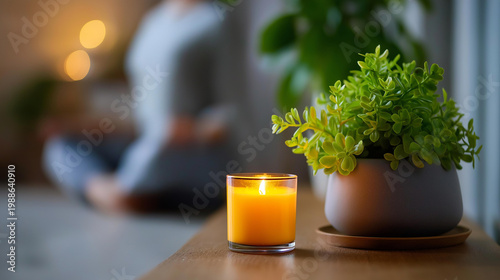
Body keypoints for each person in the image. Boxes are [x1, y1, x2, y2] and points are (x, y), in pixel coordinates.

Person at [43, 0, 235, 213]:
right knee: (60, 146)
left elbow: (235, 109)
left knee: (153, 151)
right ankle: (112, 193)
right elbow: (142, 107)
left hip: (185, 150)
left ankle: (129, 191)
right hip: (144, 138)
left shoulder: (217, 21)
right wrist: (91, 126)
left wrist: (196, 129)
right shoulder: (153, 20)